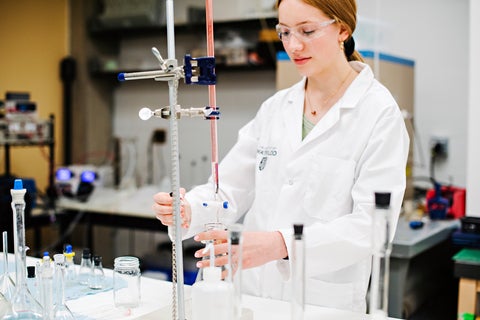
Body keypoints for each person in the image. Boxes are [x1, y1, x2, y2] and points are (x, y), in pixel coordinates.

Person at [153, 0, 409, 313]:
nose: (294, 45)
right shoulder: (276, 107)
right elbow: (229, 189)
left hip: (322, 304)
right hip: (252, 295)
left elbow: (371, 226)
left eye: (308, 31)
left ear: (343, 29)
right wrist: (188, 208)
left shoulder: (379, 113)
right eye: (284, 32)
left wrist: (281, 245)